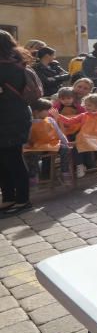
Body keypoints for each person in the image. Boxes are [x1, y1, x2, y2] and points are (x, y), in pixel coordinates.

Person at [1, 30, 40, 215]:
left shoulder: (5, 67)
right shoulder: (18, 63)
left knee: (12, 159)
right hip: (19, 115)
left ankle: (21, 200)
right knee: (8, 158)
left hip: (8, 118)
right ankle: (9, 199)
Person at [59, 93, 97, 177]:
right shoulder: (83, 115)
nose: (86, 107)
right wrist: (58, 116)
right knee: (77, 146)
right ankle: (80, 165)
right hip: (86, 138)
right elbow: (70, 121)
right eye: (86, 105)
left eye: (89, 105)